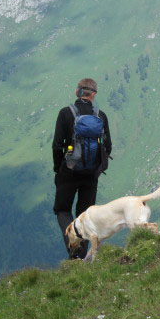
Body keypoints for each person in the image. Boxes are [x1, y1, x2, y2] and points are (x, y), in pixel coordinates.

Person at [52, 78, 112, 258]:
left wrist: (58, 169)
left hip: (68, 171)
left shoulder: (65, 113)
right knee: (84, 215)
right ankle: (81, 256)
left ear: (77, 91)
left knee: (62, 210)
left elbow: (57, 145)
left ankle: (73, 247)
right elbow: (107, 147)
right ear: (93, 94)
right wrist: (97, 170)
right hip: (91, 174)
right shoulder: (101, 116)